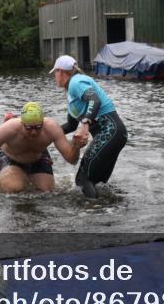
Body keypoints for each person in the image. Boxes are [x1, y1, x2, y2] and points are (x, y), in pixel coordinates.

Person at [0, 102, 86, 194]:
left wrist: (76, 146)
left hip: (38, 158)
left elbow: (71, 159)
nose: (34, 132)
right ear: (22, 123)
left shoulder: (52, 128)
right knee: (13, 189)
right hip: (12, 159)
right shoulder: (9, 129)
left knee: (48, 193)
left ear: (43, 123)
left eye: (38, 127)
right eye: (29, 128)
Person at [49, 55, 128, 199]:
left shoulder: (76, 82)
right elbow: (71, 125)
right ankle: (108, 212)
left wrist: (85, 123)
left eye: (55, 73)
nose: (55, 77)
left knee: (82, 180)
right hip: (115, 135)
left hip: (111, 131)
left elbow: (94, 100)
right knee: (97, 182)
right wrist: (47, 135)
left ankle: (93, 217)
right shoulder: (72, 94)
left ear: (60, 72)